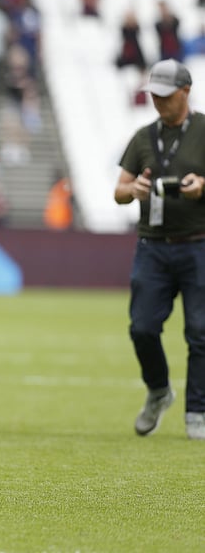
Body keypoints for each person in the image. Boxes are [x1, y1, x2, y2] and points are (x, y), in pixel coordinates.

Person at [113, 59, 205, 441]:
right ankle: (158, 390)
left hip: (198, 244)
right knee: (142, 328)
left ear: (185, 92)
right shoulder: (142, 137)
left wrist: (202, 185)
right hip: (152, 245)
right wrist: (132, 190)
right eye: (154, 95)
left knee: (200, 332)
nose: (158, 102)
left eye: (165, 96)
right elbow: (119, 191)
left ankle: (197, 411)